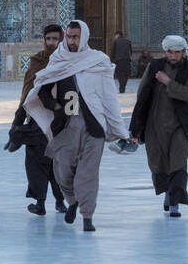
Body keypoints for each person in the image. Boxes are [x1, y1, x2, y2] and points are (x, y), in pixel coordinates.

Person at [24, 19, 133, 232]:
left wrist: (120, 130)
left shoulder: (98, 61)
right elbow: (42, 88)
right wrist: (54, 106)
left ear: (84, 36)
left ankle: (87, 216)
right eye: (70, 36)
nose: (72, 41)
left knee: (88, 173)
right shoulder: (58, 59)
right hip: (66, 125)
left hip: (94, 126)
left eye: (76, 37)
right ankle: (72, 201)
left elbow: (109, 97)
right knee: (63, 172)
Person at [129, 35, 188, 217]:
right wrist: (137, 126)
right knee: (159, 163)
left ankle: (174, 202)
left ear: (183, 52)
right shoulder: (154, 66)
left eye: (177, 52)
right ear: (165, 51)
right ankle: (168, 194)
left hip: (181, 124)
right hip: (155, 124)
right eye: (170, 52)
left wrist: (168, 82)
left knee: (178, 162)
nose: (173, 56)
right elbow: (143, 94)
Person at [7, 23, 67, 216]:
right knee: (36, 162)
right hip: (37, 120)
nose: (51, 43)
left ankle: (60, 201)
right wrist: (18, 119)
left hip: (59, 120)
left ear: (61, 40)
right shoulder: (37, 61)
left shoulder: (67, 62)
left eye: (55, 39)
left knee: (57, 162)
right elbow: (27, 90)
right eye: (48, 39)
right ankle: (40, 203)